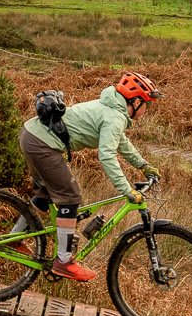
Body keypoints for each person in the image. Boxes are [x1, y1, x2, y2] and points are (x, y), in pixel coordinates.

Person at [19, 72, 160, 282]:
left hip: (31, 136)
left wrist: (145, 166)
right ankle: (64, 262)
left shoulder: (112, 110)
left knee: (45, 196)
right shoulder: (115, 116)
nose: (147, 110)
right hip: (42, 144)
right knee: (70, 198)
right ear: (136, 101)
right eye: (147, 104)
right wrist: (127, 190)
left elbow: (122, 145)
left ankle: (13, 238)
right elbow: (107, 156)